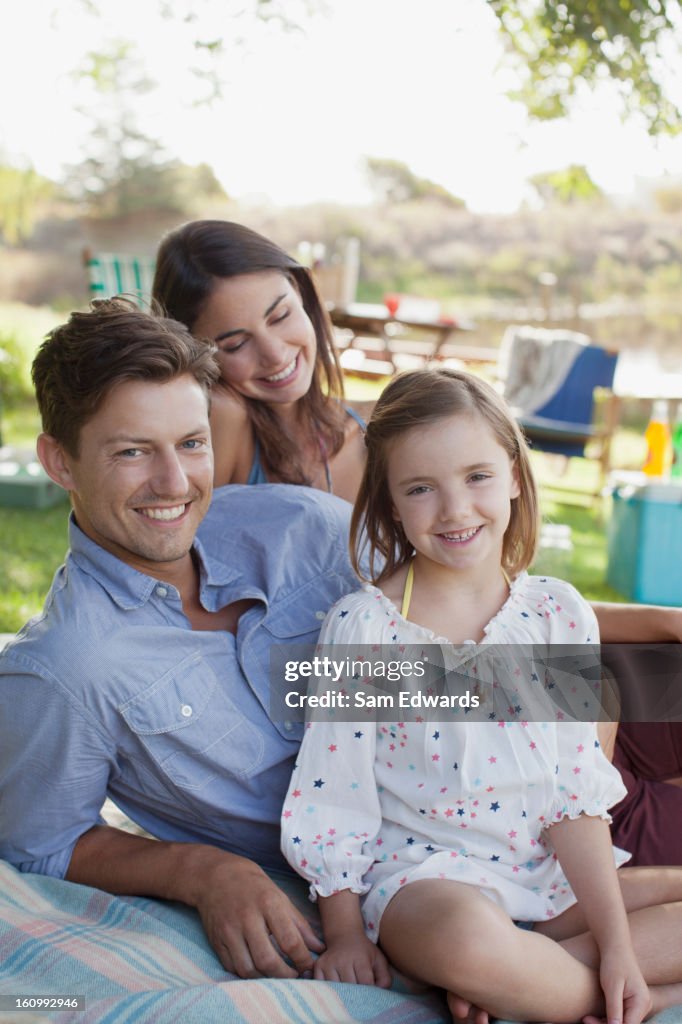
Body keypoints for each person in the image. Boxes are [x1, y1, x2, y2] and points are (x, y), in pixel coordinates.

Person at [281, 367, 682, 1024]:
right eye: (420, 489)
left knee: (631, 917)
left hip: (542, 874)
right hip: (428, 884)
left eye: (477, 477)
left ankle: (539, 975)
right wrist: (347, 933)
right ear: (390, 504)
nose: (455, 509)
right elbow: (335, 792)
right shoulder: (367, 628)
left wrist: (615, 947)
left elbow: (573, 796)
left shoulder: (558, 613)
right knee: (470, 940)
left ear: (516, 477)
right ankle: (568, 982)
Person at [0, 297, 362, 981]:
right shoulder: (68, 670)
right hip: (426, 865)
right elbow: (40, 843)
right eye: (134, 451)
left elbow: (472, 635)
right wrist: (198, 870)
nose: (175, 484)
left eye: (191, 444)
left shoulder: (302, 526)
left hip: (534, 751)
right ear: (60, 460)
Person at [152, 219, 366, 503]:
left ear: (298, 291)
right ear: (194, 353)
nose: (275, 355)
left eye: (280, 316)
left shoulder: (375, 429)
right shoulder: (225, 420)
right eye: (236, 344)